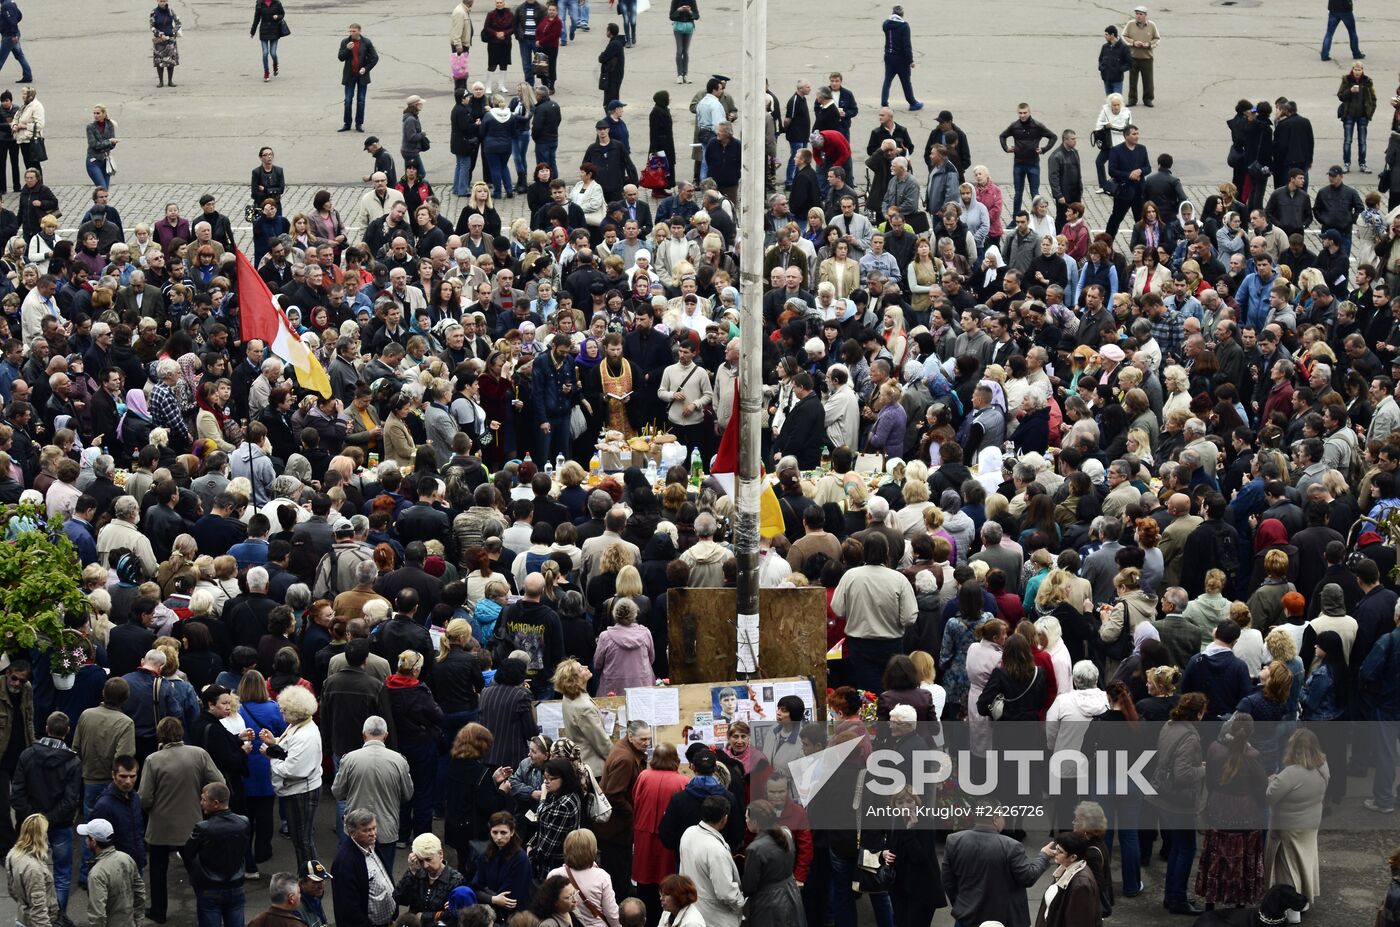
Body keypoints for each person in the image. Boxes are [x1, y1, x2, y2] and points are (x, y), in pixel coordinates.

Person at [140, 716, 225, 924]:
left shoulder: (153, 760)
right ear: (181, 733)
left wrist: (152, 808)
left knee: (158, 871)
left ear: (160, 735)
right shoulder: (198, 754)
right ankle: (206, 908)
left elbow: (144, 798)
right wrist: (202, 799)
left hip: (160, 826)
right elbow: (219, 782)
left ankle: (158, 911)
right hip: (191, 823)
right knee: (196, 870)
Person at [941, 809, 1053, 927]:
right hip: (1004, 919)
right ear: (995, 819)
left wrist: (961, 904)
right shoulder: (1011, 846)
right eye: (1002, 817)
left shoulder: (954, 841)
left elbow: (947, 880)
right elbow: (1027, 877)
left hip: (967, 917)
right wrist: (1043, 856)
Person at [1264, 728, 1329, 913]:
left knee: (1286, 867)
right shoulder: (1323, 766)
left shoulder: (1290, 774)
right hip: (1311, 823)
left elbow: (1270, 797)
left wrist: (1271, 781)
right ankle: (1305, 899)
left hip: (1287, 827)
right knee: (1305, 860)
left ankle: (1291, 910)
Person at [181, 781, 252, 927]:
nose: (201, 803)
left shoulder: (203, 828)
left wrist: (195, 874)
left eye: (204, 800)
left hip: (209, 888)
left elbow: (188, 853)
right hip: (236, 885)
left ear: (215, 803)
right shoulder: (243, 822)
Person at [678, 794, 744, 927]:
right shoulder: (716, 850)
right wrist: (742, 904)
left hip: (693, 911)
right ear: (724, 819)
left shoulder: (688, 833)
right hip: (716, 918)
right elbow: (726, 893)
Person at [333, 810, 397, 927]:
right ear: (352, 833)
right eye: (367, 830)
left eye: (374, 828)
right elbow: (349, 907)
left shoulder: (370, 844)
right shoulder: (345, 863)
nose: (373, 833)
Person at [81, 817, 147, 927]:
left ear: (94, 841)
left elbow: (98, 915)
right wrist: (137, 921)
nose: (85, 840)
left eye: (87, 837)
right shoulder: (126, 858)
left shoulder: (96, 874)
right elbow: (139, 892)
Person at [1033, 831, 1103, 927]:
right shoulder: (1066, 868)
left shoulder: (1081, 885)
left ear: (1073, 857)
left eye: (1060, 851)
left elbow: (1078, 922)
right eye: (1056, 848)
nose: (1055, 853)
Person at [5, 813, 58, 927]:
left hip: (22, 917)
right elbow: (38, 910)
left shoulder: (13, 854)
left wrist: (24, 904)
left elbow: (12, 889)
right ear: (41, 836)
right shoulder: (33, 869)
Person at [338, 23, 378, 133]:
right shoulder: (345, 42)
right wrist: (347, 49)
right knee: (348, 100)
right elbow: (341, 57)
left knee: (361, 100)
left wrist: (366, 69)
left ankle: (359, 124)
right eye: (350, 31)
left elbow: (375, 58)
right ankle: (347, 123)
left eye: (354, 31)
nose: (352, 33)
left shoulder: (366, 42)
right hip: (349, 75)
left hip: (362, 76)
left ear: (359, 31)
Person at [879, 6, 921, 112]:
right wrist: (910, 60)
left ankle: (884, 102)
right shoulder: (904, 26)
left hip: (889, 56)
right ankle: (912, 102)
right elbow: (907, 45)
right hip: (901, 59)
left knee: (887, 80)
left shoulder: (886, 24)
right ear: (902, 14)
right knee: (906, 81)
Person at [250, 0, 287, 82]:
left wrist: (277, 16)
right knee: (265, 53)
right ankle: (266, 72)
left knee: (273, 53)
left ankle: (275, 65)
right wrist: (253, 31)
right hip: (264, 31)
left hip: (275, 31)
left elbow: (282, 14)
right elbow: (256, 18)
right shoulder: (259, 4)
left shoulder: (277, 3)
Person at [150, 0, 181, 87]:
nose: (162, 3)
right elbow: (152, 26)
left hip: (170, 39)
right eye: (161, 1)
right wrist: (160, 34)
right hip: (159, 40)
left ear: (167, 1)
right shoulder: (154, 12)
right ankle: (161, 82)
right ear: (157, 1)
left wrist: (173, 32)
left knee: (170, 61)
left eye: (164, 1)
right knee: (159, 61)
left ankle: (170, 81)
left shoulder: (171, 11)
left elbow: (178, 23)